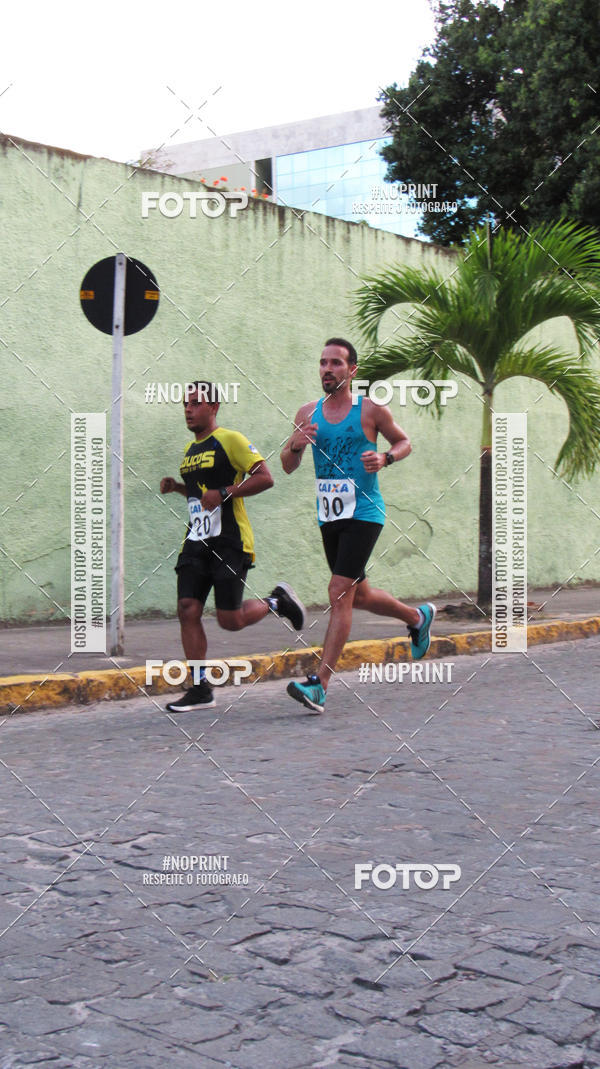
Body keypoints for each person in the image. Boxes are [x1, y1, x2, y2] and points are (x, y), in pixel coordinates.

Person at [281, 339, 435, 714]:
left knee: (338, 591)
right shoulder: (307, 412)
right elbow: (287, 465)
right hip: (330, 515)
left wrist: (385, 458)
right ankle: (417, 618)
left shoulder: (370, 409)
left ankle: (320, 685)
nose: (327, 369)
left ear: (352, 370)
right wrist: (296, 445)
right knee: (358, 595)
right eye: (323, 362)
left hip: (365, 512)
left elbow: (404, 442)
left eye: (336, 363)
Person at [161, 381, 304, 711]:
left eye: (195, 403)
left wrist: (226, 492)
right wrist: (179, 488)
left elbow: (265, 477)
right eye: (185, 404)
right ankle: (200, 689)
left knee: (230, 619)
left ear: (213, 407)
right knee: (187, 608)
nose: (188, 409)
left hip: (229, 541)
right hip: (196, 540)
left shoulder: (231, 440)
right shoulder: (190, 451)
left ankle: (277, 601)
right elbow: (201, 495)